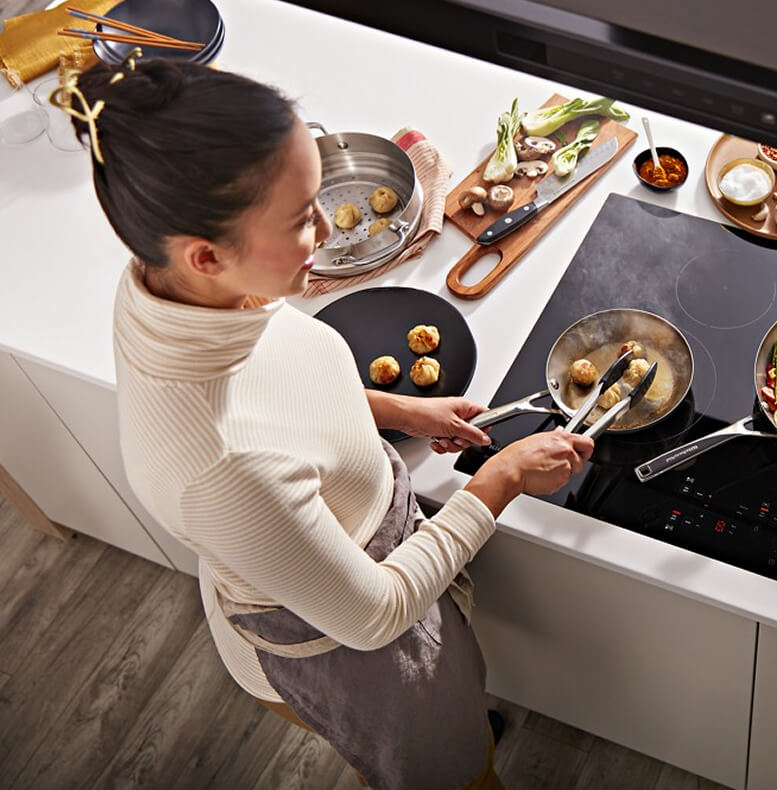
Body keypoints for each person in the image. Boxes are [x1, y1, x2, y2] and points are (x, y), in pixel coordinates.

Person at [57, 54, 591, 789]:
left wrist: (398, 406)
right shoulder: (220, 465)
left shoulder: (175, 290)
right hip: (355, 647)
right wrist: (499, 480)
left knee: (464, 712)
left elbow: (276, 390)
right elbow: (373, 617)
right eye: (301, 219)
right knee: (462, 775)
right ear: (208, 256)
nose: (323, 230)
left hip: (364, 555)